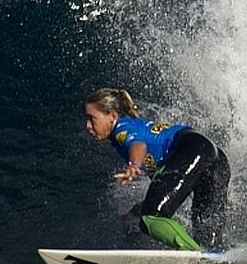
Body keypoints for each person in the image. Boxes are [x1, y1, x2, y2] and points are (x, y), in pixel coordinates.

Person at [84, 88, 230, 251]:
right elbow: (166, 187)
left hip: (191, 148)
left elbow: (138, 145)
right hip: (212, 155)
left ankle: (197, 255)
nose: (88, 125)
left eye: (92, 118)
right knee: (207, 237)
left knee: (151, 218)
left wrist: (133, 166)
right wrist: (137, 210)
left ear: (111, 115)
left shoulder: (122, 130)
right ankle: (219, 257)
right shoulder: (134, 127)